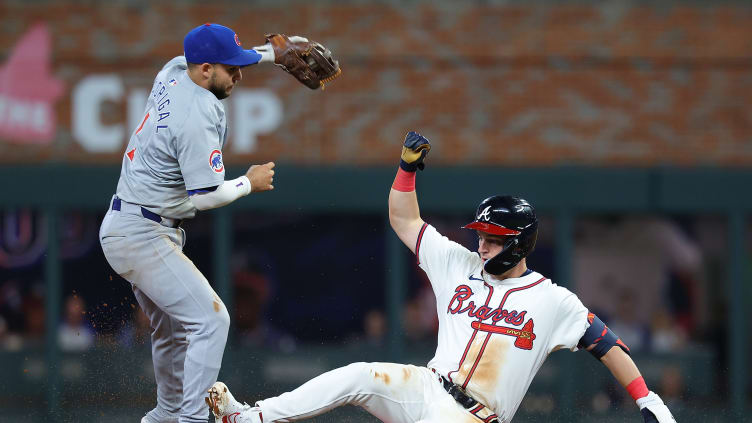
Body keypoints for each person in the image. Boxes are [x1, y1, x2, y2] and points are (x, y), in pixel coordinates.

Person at [204, 132, 676, 423]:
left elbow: (607, 344)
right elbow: (404, 220)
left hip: (473, 415)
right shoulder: (458, 263)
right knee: (356, 375)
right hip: (427, 386)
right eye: (481, 235)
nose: (482, 244)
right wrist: (407, 170)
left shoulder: (553, 301)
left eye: (492, 238)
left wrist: (646, 398)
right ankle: (248, 418)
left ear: (518, 242)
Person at [99, 23, 282, 423]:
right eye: (230, 68)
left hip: (132, 223)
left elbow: (219, 55)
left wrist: (271, 55)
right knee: (212, 319)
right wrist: (247, 183)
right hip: (142, 232)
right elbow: (207, 195)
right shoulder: (194, 114)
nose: (239, 74)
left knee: (172, 329)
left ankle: (165, 415)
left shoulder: (175, 68)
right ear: (204, 70)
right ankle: (194, 418)